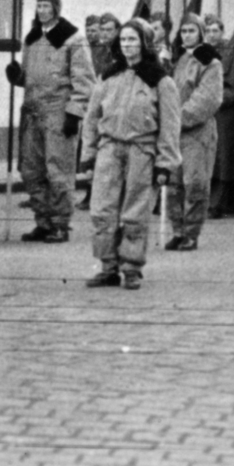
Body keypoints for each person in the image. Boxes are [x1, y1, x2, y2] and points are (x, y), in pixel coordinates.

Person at [81, 20, 181, 290]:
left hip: (142, 151)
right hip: (109, 149)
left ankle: (132, 267)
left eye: (133, 40)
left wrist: (165, 164)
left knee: (134, 212)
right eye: (123, 40)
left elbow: (170, 126)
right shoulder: (108, 75)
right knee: (102, 208)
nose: (127, 46)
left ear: (145, 44)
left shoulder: (160, 80)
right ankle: (107, 266)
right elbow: (92, 118)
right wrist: (88, 154)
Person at [7, 0, 94, 243]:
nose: (42, 11)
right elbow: (31, 77)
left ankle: (60, 223)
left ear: (56, 8)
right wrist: (17, 77)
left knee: (58, 170)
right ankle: (42, 221)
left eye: (47, 6)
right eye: (39, 6)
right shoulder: (31, 39)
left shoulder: (72, 39)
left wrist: (74, 114)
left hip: (58, 111)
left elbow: (84, 81)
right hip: (32, 112)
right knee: (32, 169)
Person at [164, 13, 223, 250]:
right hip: (174, 131)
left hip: (197, 131)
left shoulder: (210, 62)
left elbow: (207, 98)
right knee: (173, 183)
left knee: (195, 183)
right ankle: (177, 229)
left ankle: (191, 232)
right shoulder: (177, 61)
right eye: (184, 31)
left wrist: (176, 118)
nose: (187, 35)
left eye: (192, 31)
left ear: (200, 33)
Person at [204, 12, 234, 217]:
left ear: (222, 32)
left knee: (223, 160)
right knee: (207, 158)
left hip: (225, 112)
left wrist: (216, 100)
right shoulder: (202, 53)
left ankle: (218, 203)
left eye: (216, 30)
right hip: (205, 112)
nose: (212, 35)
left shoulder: (232, 53)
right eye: (208, 31)